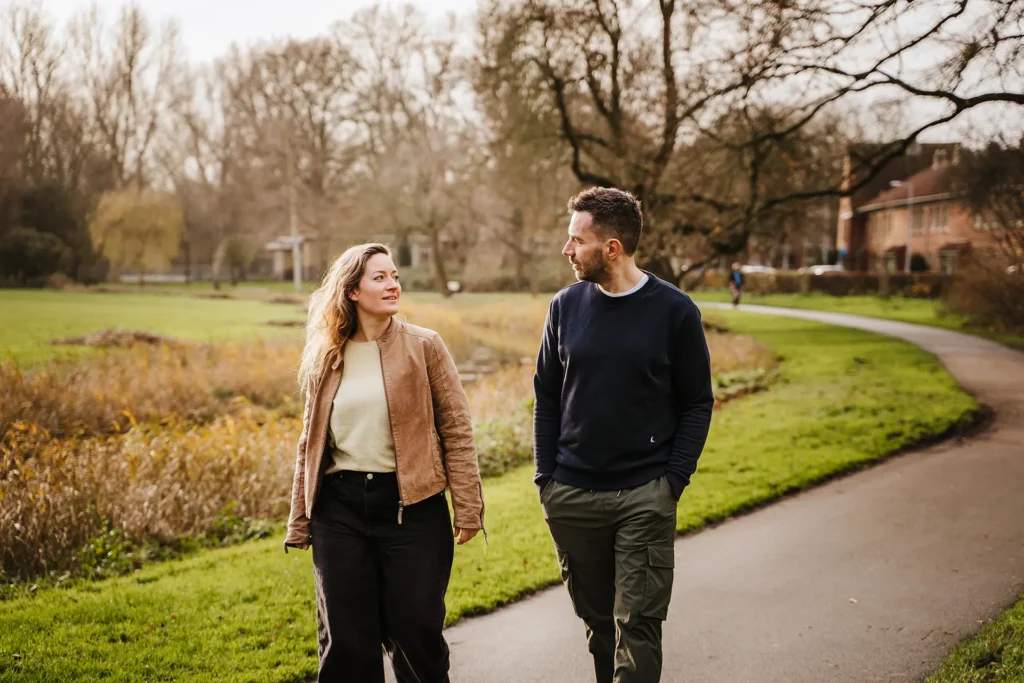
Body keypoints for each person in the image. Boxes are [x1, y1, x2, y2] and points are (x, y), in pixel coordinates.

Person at [534, 188, 715, 683]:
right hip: (572, 496)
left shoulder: (675, 311)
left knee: (637, 626)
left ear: (611, 248)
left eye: (577, 240)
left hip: (644, 495)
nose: (567, 250)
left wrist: (672, 481)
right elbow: (546, 394)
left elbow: (697, 402)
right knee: (599, 626)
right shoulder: (565, 306)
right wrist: (546, 479)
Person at [284, 243, 484, 683]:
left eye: (394, 276)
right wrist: (300, 518)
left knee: (416, 635)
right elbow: (309, 443)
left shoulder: (425, 346)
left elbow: (456, 429)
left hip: (413, 508)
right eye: (380, 277)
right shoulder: (326, 354)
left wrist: (468, 506)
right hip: (339, 510)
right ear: (352, 291)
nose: (393, 285)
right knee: (347, 643)